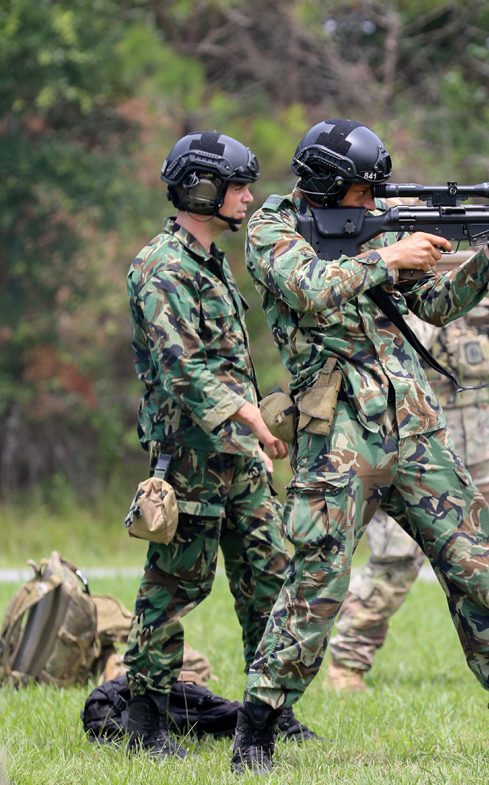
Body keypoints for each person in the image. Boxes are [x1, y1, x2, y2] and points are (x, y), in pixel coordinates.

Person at [234, 118, 489, 774]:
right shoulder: (272, 229)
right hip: (339, 433)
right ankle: (257, 729)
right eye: (361, 191)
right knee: (317, 579)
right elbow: (305, 286)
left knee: (474, 559)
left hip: (412, 420)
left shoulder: (375, 224)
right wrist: (389, 255)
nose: (371, 202)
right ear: (328, 186)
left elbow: (437, 305)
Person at [123, 130, 315, 758]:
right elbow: (185, 370)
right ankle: (145, 720)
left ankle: (269, 712)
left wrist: (254, 437)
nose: (248, 196)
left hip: (239, 457)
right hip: (191, 460)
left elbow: (228, 368)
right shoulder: (161, 266)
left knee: (269, 577)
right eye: (237, 186)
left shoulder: (209, 265)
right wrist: (254, 424)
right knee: (174, 587)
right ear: (201, 189)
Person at [327, 258, 489, 691]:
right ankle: (348, 663)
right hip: (418, 433)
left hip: (482, 439)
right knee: (395, 561)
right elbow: (405, 342)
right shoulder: (392, 281)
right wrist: (437, 285)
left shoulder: (474, 288)